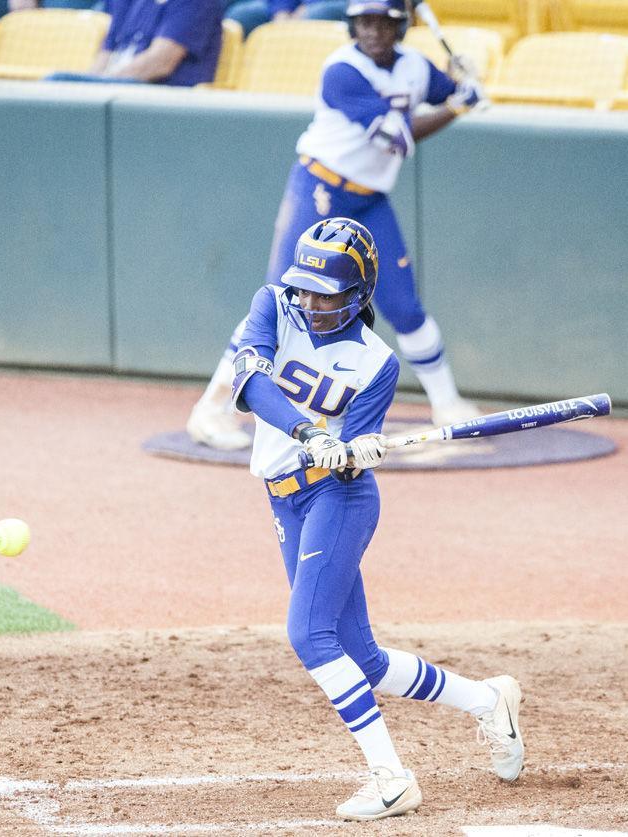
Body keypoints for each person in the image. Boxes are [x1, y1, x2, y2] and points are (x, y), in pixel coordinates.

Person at [231, 216, 524, 821]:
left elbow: (351, 458)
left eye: (327, 294)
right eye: (307, 289)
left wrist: (354, 450)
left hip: (338, 502)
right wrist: (312, 431)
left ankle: (391, 778)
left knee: (309, 635)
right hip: (283, 497)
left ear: (359, 295)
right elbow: (251, 383)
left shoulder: (377, 363)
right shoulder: (273, 307)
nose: (312, 303)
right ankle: (488, 700)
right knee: (360, 658)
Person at [187, 0, 483, 450]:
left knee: (403, 304)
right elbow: (396, 137)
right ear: (352, 25)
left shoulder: (415, 67)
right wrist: (459, 107)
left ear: (400, 26)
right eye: (364, 21)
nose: (373, 31)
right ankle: (211, 408)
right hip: (321, 190)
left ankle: (447, 402)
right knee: (280, 299)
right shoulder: (341, 70)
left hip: (369, 199)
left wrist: (464, 78)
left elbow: (449, 89)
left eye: (384, 22)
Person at [46, 0, 222, 86]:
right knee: (62, 89)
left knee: (56, 81)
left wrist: (98, 87)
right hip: (121, 90)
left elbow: (160, 63)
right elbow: (107, 53)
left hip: (164, 97)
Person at [224, 0, 347, 39]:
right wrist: (281, 10)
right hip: (297, 5)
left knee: (312, 16)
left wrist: (308, 5)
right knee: (240, 16)